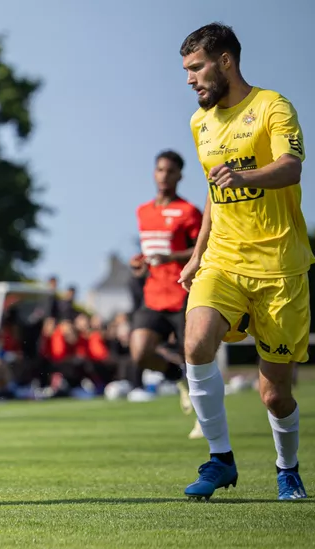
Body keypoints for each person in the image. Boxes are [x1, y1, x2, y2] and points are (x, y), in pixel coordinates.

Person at [179, 22, 312, 500]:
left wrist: (245, 174)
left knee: (275, 394)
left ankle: (287, 468)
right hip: (223, 261)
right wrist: (197, 257)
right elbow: (214, 193)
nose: (190, 79)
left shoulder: (273, 106)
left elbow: (291, 167)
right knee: (196, 342)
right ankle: (220, 459)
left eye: (197, 68)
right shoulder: (200, 123)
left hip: (279, 266)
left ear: (226, 61)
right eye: (187, 71)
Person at [129, 151, 203, 423]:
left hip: (183, 293)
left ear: (180, 176)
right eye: (160, 170)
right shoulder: (143, 211)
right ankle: (175, 376)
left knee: (195, 359)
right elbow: (151, 253)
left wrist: (172, 257)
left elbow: (202, 248)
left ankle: (203, 419)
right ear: (154, 172)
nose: (164, 175)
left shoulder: (189, 212)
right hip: (153, 293)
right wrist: (142, 264)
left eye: (170, 171)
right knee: (139, 352)